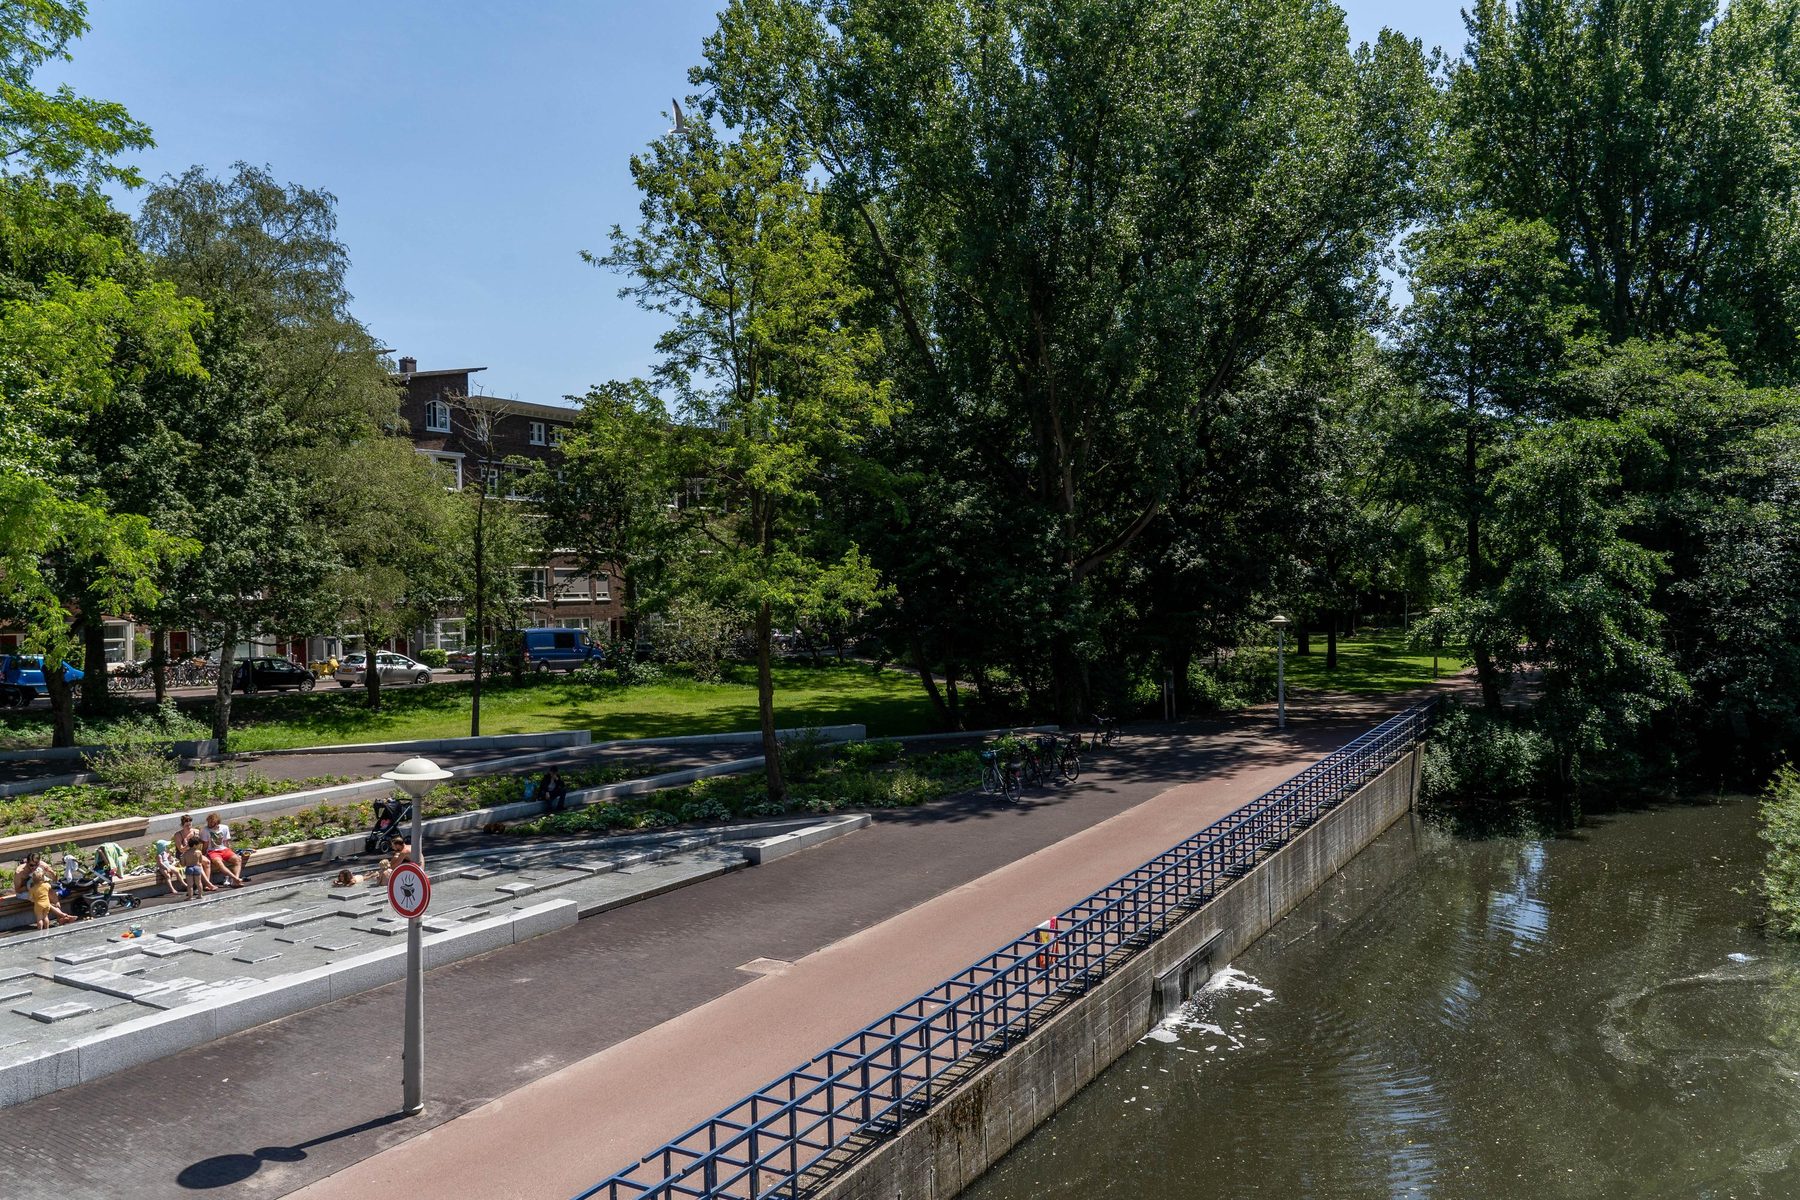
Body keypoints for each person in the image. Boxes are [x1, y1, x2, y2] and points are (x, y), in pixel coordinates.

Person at [13, 852, 73, 929]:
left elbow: (55, 881)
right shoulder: (20, 872)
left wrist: (51, 872)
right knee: (42, 897)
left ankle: (60, 918)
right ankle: (62, 915)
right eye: (31, 865)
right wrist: (32, 886)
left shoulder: (43, 865)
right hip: (24, 892)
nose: (34, 867)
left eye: (36, 865)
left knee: (51, 892)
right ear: (27, 862)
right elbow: (18, 890)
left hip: (39, 890)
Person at [203, 812, 246, 887]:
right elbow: (205, 845)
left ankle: (235, 881)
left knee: (238, 859)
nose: (209, 824)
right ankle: (235, 879)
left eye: (211, 822)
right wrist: (204, 855)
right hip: (212, 851)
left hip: (224, 849)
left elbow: (226, 842)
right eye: (208, 822)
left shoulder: (224, 828)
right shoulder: (205, 830)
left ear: (216, 823)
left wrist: (231, 852)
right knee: (219, 863)